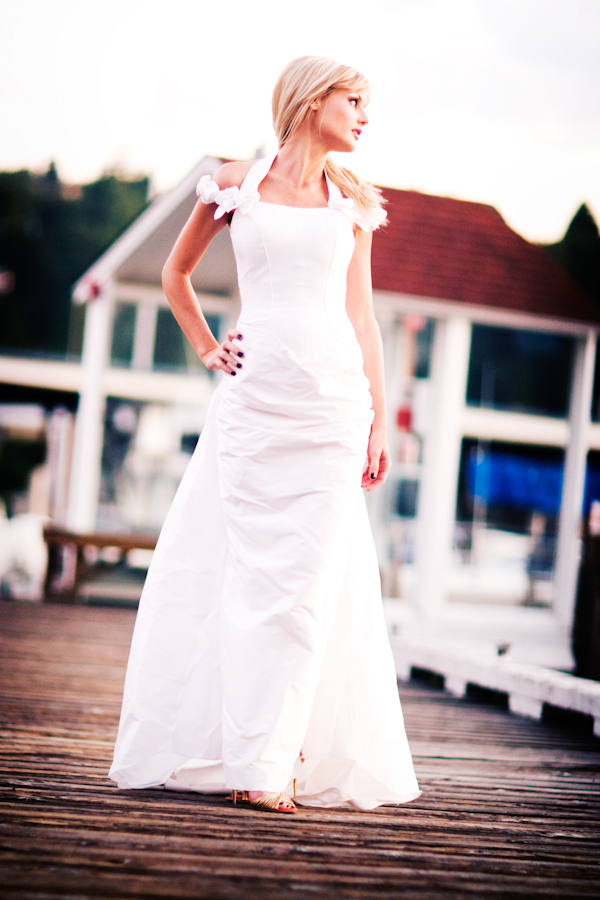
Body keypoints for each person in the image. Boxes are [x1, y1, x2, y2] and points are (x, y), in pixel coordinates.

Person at [109, 56, 420, 814]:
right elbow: (176, 276)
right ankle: (250, 750)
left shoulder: (352, 203)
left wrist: (380, 416)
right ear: (312, 101)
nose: (364, 117)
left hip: (332, 414)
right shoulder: (233, 183)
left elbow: (363, 320)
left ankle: (270, 760)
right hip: (253, 410)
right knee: (249, 581)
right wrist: (209, 347)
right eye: (355, 101)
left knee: (308, 591)